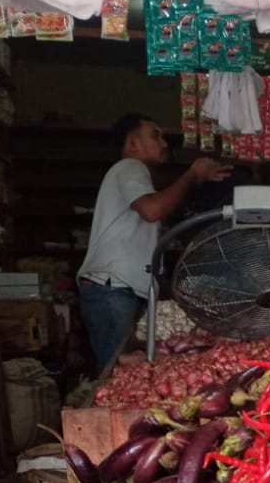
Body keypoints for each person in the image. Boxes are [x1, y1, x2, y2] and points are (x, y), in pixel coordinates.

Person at [79, 114, 230, 373]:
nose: (163, 143)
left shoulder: (135, 177)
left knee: (125, 372)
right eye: (155, 135)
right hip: (113, 288)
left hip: (119, 288)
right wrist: (192, 174)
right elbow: (152, 210)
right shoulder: (130, 167)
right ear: (133, 144)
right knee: (119, 375)